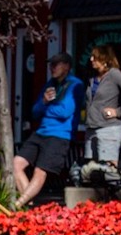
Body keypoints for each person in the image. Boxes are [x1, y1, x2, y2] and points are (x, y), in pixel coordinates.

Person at [12, 53, 85, 208]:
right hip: (41, 132)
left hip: (59, 135)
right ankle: (29, 206)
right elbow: (35, 111)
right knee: (16, 163)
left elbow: (66, 111)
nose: (51, 68)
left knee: (40, 171)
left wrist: (46, 107)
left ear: (66, 66)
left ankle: (17, 205)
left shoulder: (74, 85)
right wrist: (44, 102)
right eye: (51, 64)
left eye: (56, 64)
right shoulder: (50, 84)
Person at [83, 45, 121, 183]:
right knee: (91, 171)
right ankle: (94, 202)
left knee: (108, 171)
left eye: (95, 57)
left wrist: (119, 111)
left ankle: (112, 199)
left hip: (108, 127)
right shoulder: (92, 78)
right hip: (91, 128)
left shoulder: (114, 75)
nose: (91, 59)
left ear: (105, 60)